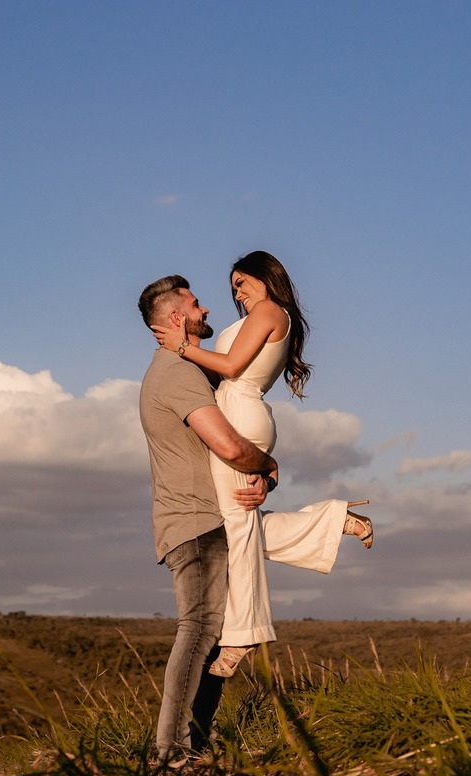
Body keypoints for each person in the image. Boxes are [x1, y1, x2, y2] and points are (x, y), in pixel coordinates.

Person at [153, 251, 374, 679]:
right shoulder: (260, 316)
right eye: (233, 286)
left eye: (241, 282)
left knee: (236, 527)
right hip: (235, 408)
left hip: (240, 411)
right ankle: (335, 521)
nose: (236, 291)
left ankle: (242, 635)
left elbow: (233, 367)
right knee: (235, 522)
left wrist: (181, 347)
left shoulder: (272, 311)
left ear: (265, 277)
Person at [137, 274, 279, 764]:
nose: (206, 309)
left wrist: (261, 473)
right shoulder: (176, 374)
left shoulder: (187, 370)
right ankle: (171, 753)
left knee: (212, 635)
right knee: (199, 629)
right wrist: (268, 464)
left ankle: (194, 744)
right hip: (195, 522)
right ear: (177, 318)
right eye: (196, 304)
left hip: (200, 518)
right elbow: (228, 444)